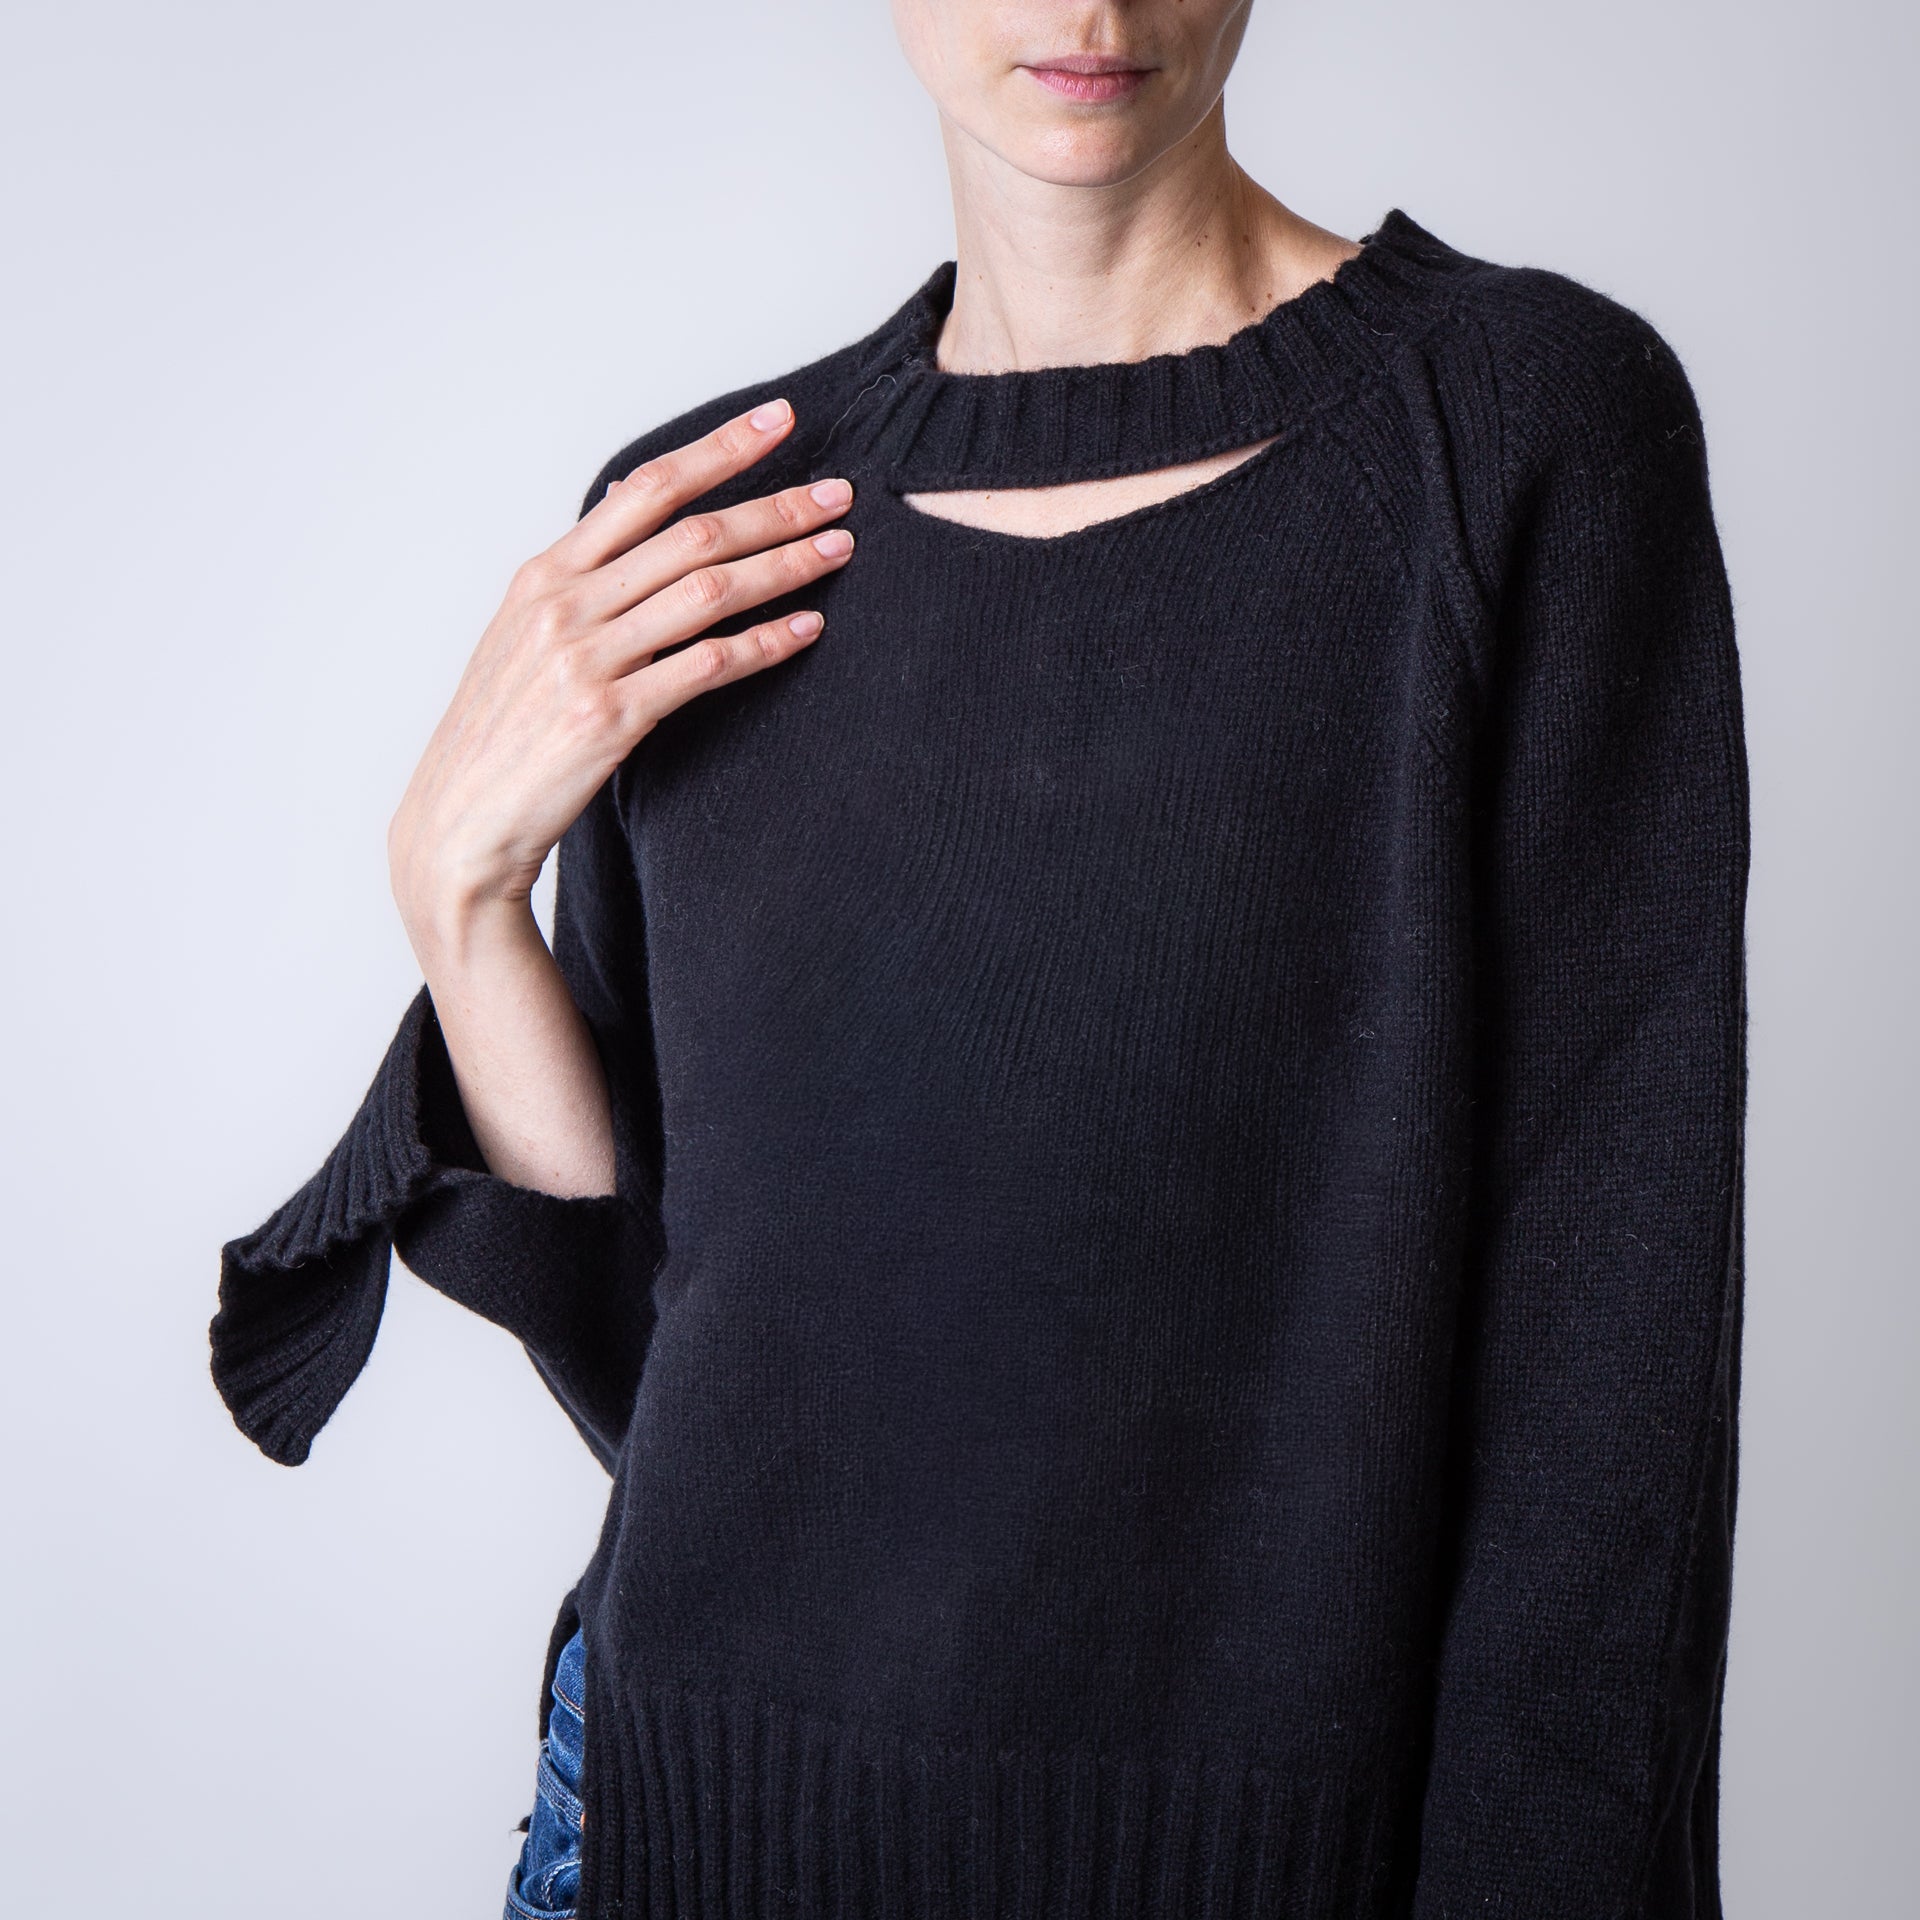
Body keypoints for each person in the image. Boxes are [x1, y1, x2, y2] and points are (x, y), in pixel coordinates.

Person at [209, 4, 1751, 1916]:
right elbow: (673, 1371)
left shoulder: (1520, 431)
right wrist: (458, 899)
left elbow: (1608, 1414)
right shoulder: (697, 534)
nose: (1090, 9)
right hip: (683, 1829)